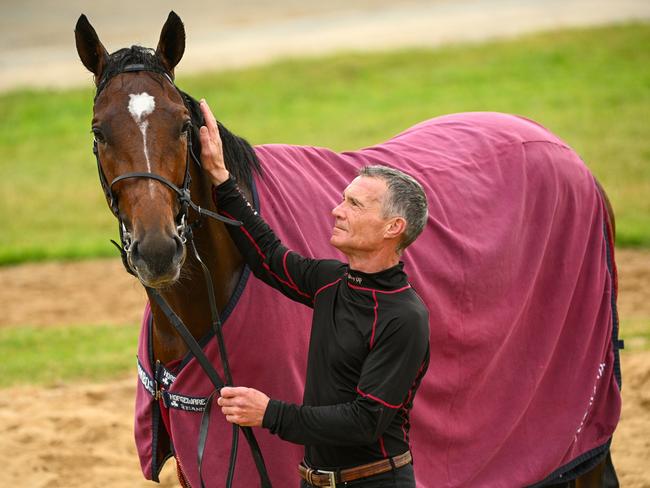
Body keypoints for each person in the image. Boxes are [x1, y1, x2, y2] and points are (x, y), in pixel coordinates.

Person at [199, 99, 430, 487]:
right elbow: (268, 256)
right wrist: (222, 179)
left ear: (393, 227)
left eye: (354, 204)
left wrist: (270, 412)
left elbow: (364, 421)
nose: (337, 210)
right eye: (343, 199)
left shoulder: (404, 317)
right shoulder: (331, 282)